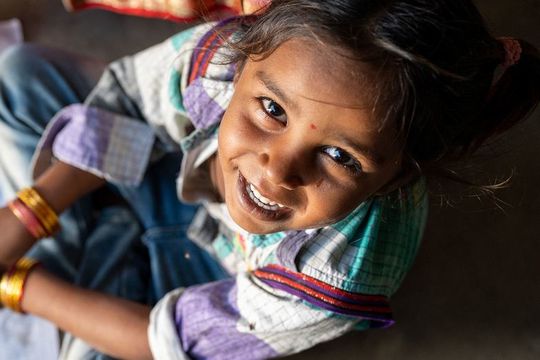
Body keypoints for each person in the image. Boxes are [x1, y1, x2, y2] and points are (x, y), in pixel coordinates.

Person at [0, 0, 539, 359]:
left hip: (209, 271)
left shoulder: (334, 275)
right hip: (170, 164)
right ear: (245, 54)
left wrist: (19, 284)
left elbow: (162, 338)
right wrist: (32, 211)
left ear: (401, 175)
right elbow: (129, 102)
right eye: (271, 110)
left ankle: (98, 241)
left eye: (339, 157)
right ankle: (97, 243)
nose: (276, 171)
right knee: (23, 76)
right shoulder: (224, 56)